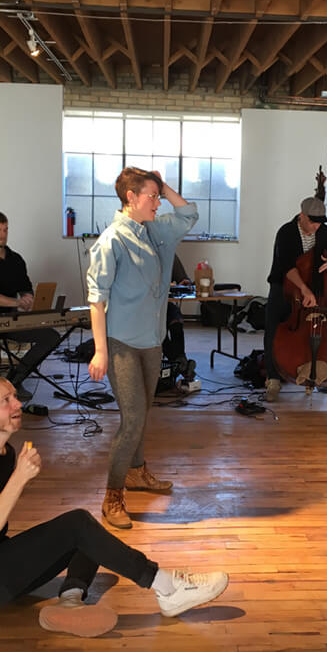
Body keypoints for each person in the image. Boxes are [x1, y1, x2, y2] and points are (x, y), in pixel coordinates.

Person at [0, 375, 229, 636]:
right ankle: (166, 586)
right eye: (5, 400)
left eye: (15, 397)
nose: (18, 404)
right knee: (77, 524)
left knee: (88, 533)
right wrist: (19, 479)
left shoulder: (5, 453)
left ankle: (70, 601)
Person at [86, 168, 198, 529]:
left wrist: (163, 184)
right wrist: (100, 351)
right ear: (131, 198)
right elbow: (96, 301)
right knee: (132, 419)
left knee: (141, 414)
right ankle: (112, 496)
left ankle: (136, 471)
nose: (158, 202)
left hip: (152, 341)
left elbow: (189, 213)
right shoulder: (111, 241)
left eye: (158, 195)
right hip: (121, 344)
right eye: (152, 196)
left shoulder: (155, 230)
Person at [263, 195, 327, 402]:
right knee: (273, 322)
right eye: (312, 222)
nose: (316, 227)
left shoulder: (324, 231)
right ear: (302, 216)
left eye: (319, 222)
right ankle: (273, 377)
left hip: (319, 292)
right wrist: (304, 290)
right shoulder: (286, 233)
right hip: (286, 286)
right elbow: (287, 267)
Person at [0, 211, 60, 401]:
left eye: (5, 230)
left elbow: (25, 286)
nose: (2, 235)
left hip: (9, 319)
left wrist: (28, 297)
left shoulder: (15, 259)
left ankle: (15, 380)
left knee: (51, 336)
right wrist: (17, 302)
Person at [163, 254, 196, 384]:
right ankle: (181, 365)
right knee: (159, 330)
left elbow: (184, 279)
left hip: (164, 304)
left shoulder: (170, 255)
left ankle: (179, 363)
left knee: (176, 320)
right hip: (143, 308)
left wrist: (185, 282)